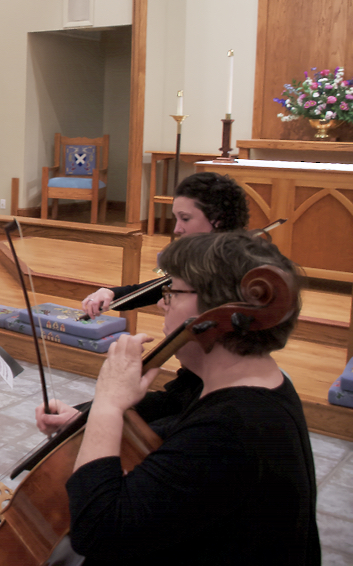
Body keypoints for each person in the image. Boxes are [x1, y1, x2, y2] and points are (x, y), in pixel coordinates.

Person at [36, 232, 319, 564]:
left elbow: (96, 530)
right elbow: (175, 431)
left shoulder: (231, 429)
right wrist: (88, 421)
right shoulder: (251, 386)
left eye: (172, 292)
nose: (160, 302)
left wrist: (108, 404)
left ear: (215, 311)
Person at [82, 171, 250, 318]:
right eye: (176, 218)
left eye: (185, 218)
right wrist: (112, 293)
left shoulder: (239, 268)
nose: (176, 229)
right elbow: (166, 287)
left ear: (217, 219)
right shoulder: (203, 260)